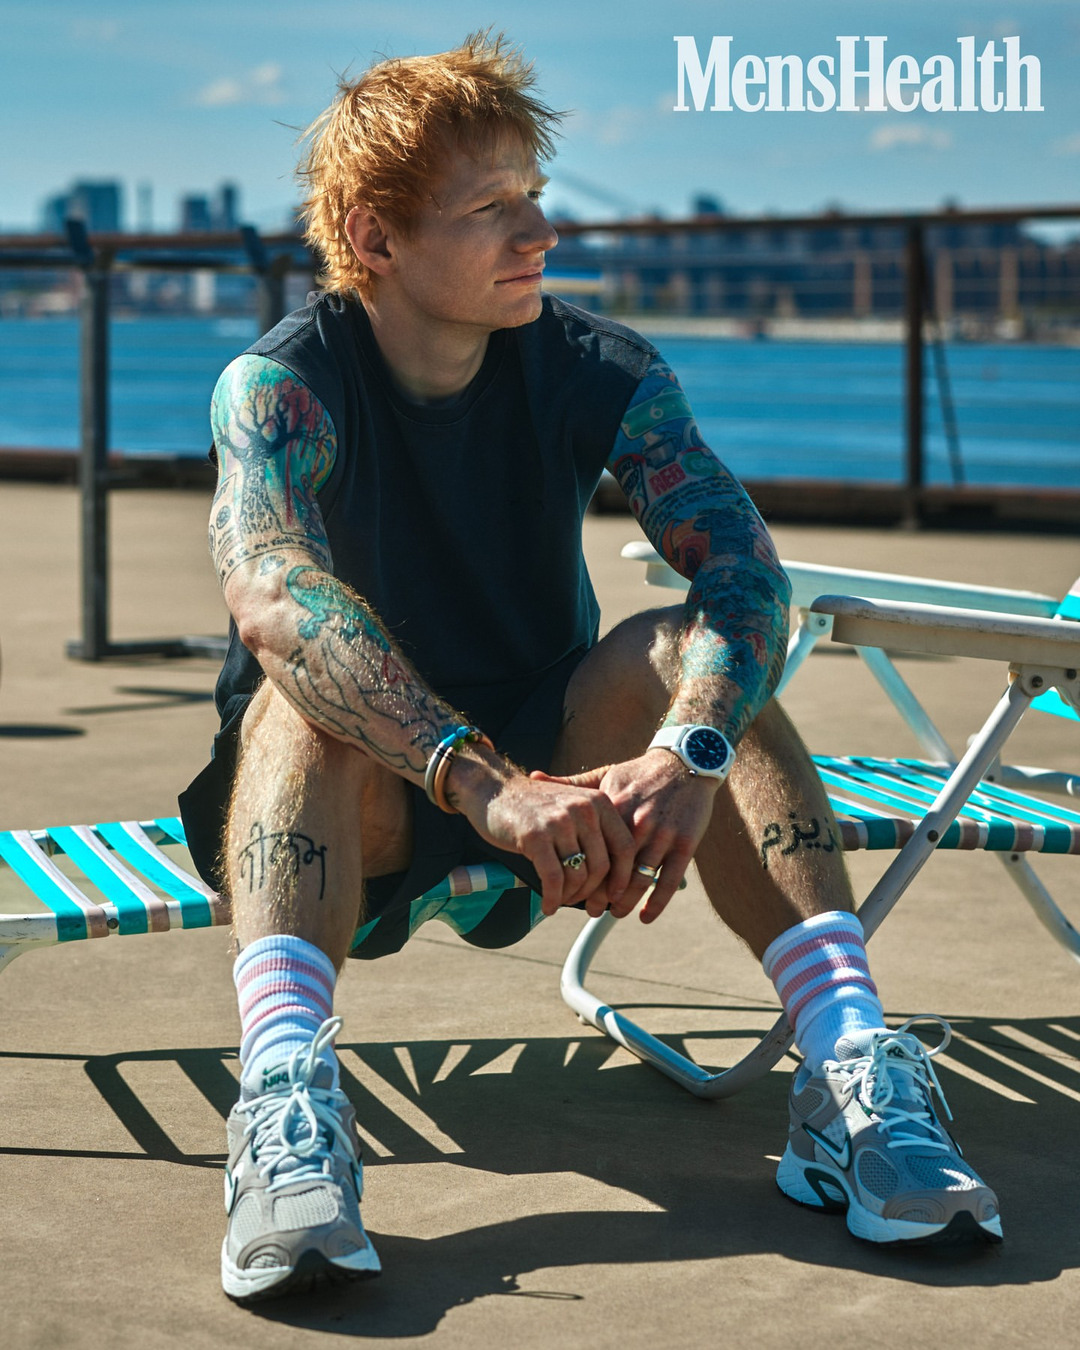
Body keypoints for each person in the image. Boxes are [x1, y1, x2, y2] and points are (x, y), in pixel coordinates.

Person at [179, 32, 1001, 1306]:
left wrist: (689, 753)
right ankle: (286, 1107)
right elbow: (273, 599)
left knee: (693, 653)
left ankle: (850, 1079)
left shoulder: (596, 366)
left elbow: (745, 572)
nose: (541, 232)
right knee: (306, 690)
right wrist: (479, 782)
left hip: (559, 772)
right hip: (362, 809)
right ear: (375, 237)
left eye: (538, 195)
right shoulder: (281, 386)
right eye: (491, 209)